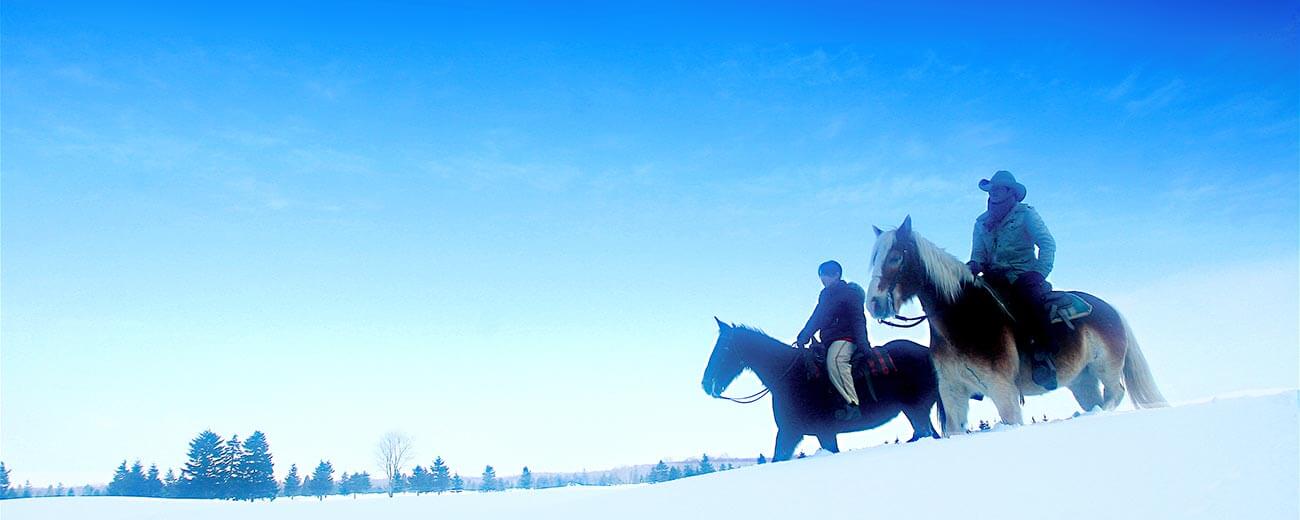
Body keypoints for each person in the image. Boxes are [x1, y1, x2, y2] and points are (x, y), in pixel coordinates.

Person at [965, 170, 1060, 390]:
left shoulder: (1025, 214)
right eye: (992, 189)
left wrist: (1038, 273)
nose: (995, 193)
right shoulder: (981, 222)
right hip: (993, 279)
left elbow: (1047, 243)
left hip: (1022, 276)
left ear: (1011, 192)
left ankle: (1042, 355)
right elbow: (978, 254)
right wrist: (974, 265)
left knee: (1029, 304)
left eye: (1000, 188)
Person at [795, 260, 871, 420]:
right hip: (828, 341)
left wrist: (864, 345)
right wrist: (804, 336)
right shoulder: (825, 295)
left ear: (836, 275)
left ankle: (852, 404)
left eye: (825, 275)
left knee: (835, 361)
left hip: (846, 338)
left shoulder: (850, 294)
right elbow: (817, 317)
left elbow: (858, 319)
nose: (822, 279)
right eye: (821, 276)